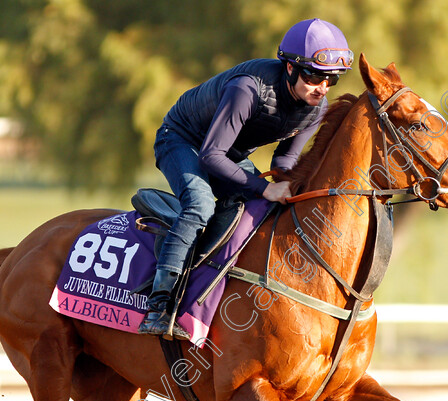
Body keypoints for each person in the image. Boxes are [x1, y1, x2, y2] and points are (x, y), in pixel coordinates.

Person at [139, 18, 353, 338]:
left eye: (331, 80)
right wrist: (264, 187)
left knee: (267, 209)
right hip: (183, 140)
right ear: (290, 68)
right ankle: (160, 304)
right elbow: (211, 157)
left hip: (228, 152)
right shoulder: (247, 88)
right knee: (199, 205)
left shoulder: (315, 107)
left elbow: (284, 159)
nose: (322, 87)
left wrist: (296, 185)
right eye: (313, 75)